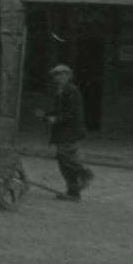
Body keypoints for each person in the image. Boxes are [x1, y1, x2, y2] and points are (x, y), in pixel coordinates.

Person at [34, 64, 94, 202]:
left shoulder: (72, 91)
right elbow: (58, 111)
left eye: (61, 74)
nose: (58, 77)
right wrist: (45, 116)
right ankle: (73, 191)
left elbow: (72, 114)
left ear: (68, 75)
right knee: (64, 162)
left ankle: (84, 173)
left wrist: (56, 119)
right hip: (62, 131)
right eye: (55, 75)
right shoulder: (60, 91)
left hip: (70, 131)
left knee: (66, 159)